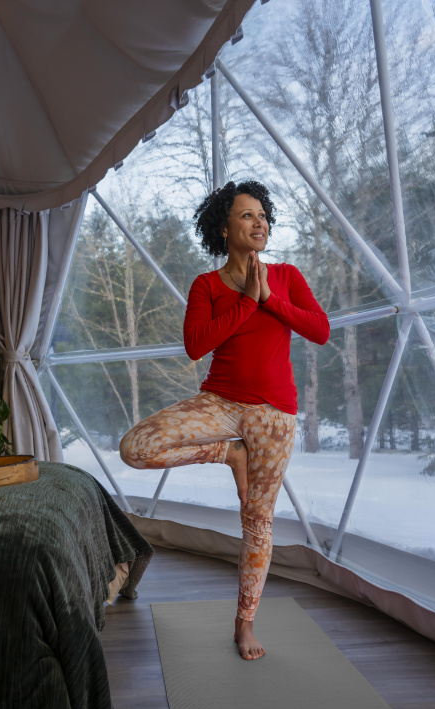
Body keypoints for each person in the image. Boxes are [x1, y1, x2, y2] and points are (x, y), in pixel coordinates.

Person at [119, 180, 330, 660]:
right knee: (136, 448)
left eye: (263, 215)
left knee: (257, 519)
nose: (260, 223)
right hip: (219, 400)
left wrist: (268, 298)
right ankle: (227, 453)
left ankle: (244, 623)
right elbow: (197, 346)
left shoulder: (288, 275)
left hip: (274, 412)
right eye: (247, 215)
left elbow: (319, 330)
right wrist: (245, 302)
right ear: (224, 227)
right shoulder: (206, 285)